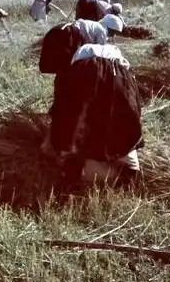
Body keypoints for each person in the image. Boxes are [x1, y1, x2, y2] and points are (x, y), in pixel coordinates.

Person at [39, 26, 143, 186]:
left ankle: (74, 168)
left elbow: (62, 111)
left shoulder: (79, 61)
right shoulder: (114, 58)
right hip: (120, 77)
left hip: (86, 70)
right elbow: (134, 109)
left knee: (72, 129)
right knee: (123, 119)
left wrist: (49, 146)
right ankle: (125, 171)